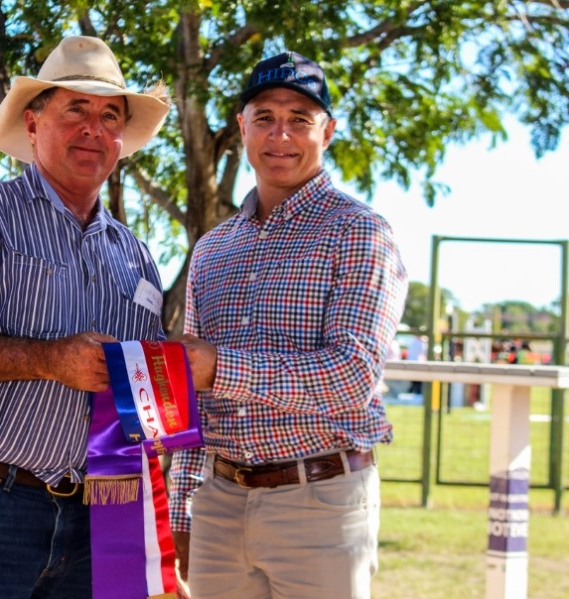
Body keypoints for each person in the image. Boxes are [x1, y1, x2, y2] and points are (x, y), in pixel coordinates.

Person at [0, 36, 170, 598]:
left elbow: (140, 407)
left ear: (121, 139)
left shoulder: (136, 255)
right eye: (76, 109)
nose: (94, 127)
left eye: (109, 115)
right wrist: (49, 360)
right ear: (34, 122)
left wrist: (173, 376)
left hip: (102, 515)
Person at [169, 51, 408, 599]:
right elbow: (190, 395)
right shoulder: (212, 249)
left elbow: (352, 376)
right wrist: (183, 510)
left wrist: (220, 367)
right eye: (265, 117)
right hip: (218, 502)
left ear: (328, 130)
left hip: (321, 499)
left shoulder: (359, 233)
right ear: (242, 128)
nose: (281, 134)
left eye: (300, 119)